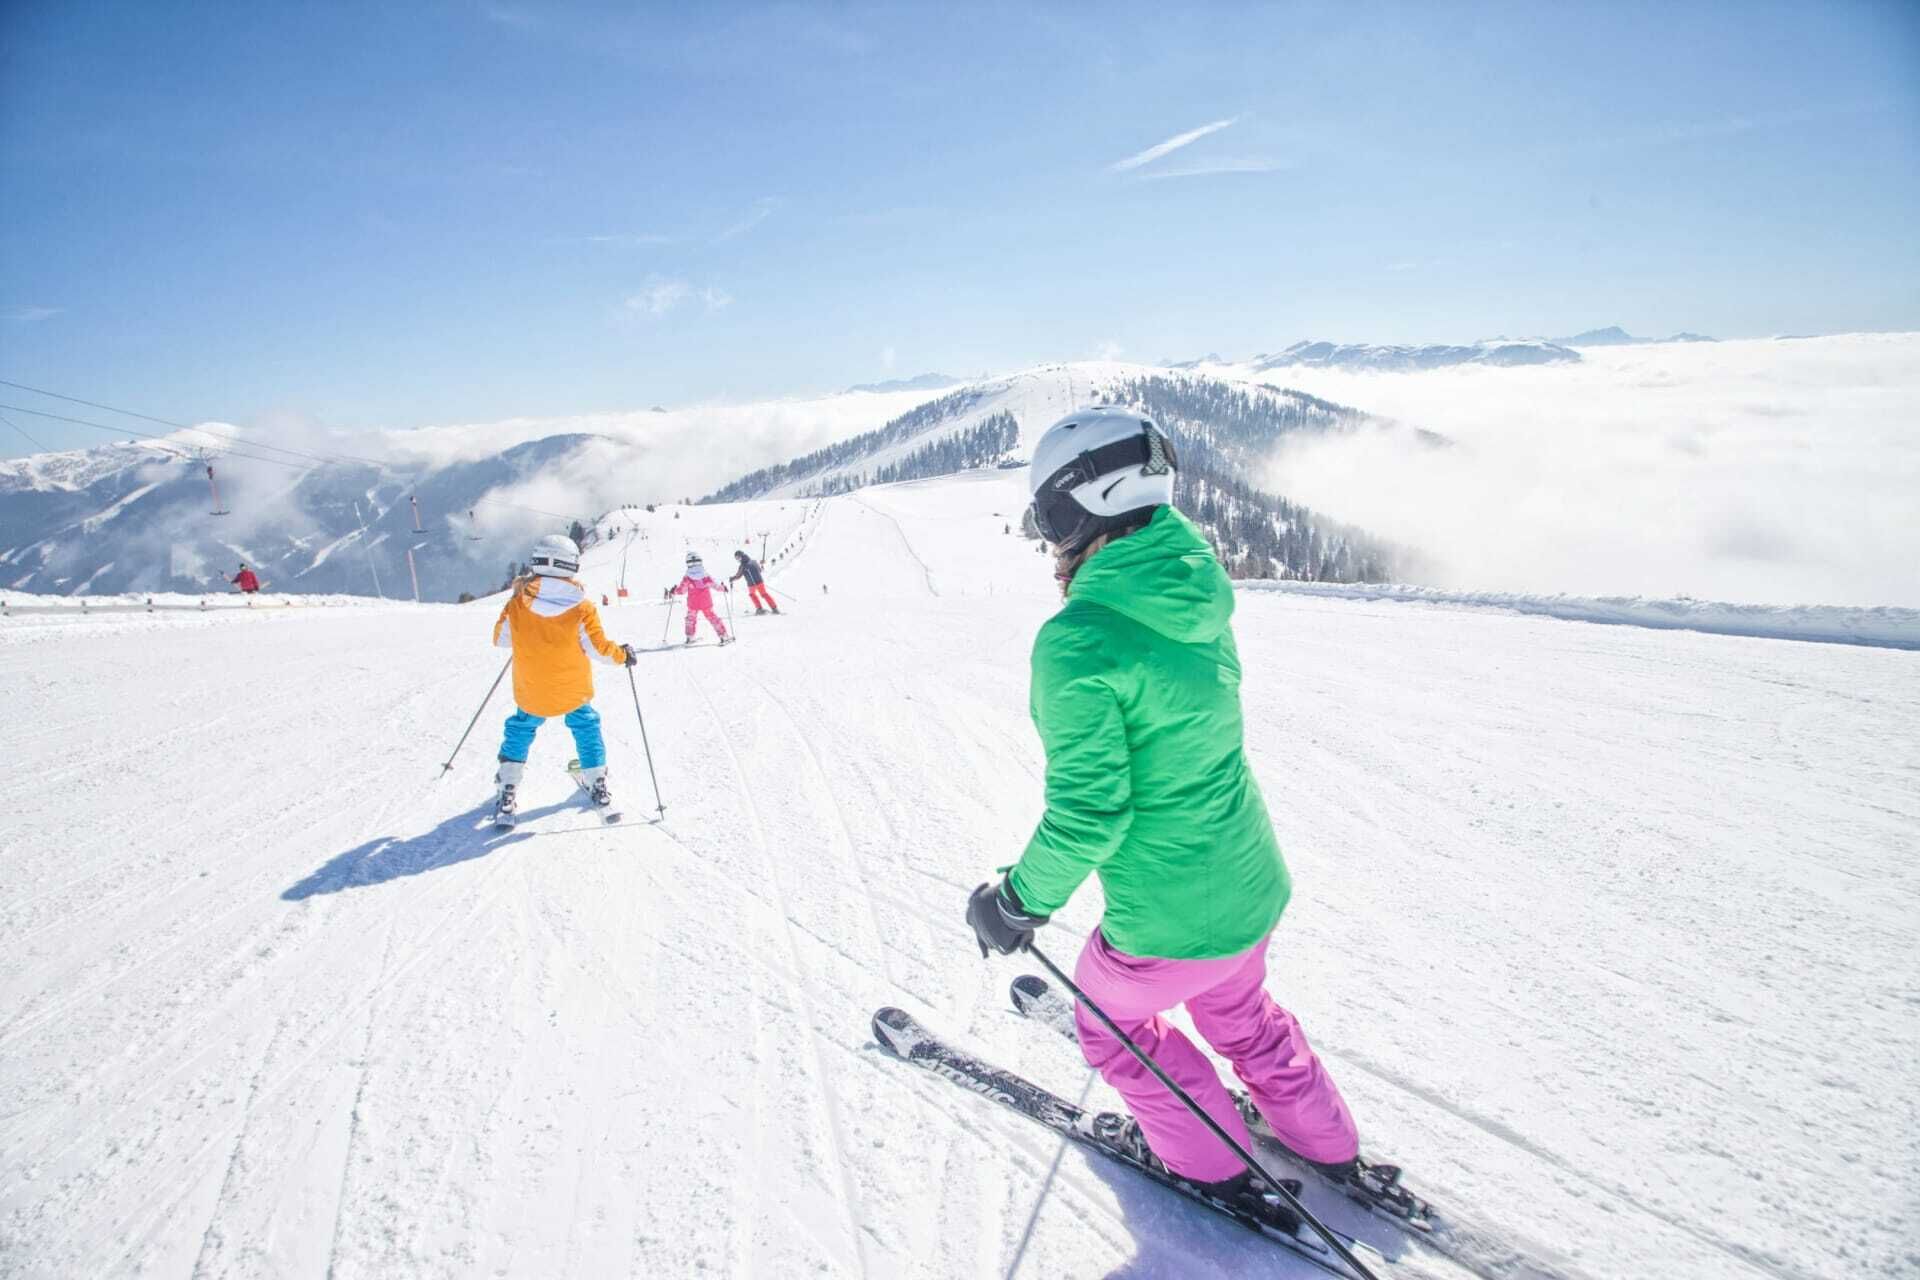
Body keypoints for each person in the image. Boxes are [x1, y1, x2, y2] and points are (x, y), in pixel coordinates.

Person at [966, 406, 1359, 1214]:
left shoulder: (1080, 640)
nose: (1046, 536)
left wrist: (1015, 902)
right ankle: (1329, 1141)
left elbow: (1089, 816)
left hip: (1166, 926)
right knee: (1242, 1014)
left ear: (1079, 508)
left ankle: (1211, 1163)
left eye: (1046, 514)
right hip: (1249, 884)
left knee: (1111, 1029)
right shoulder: (1196, 593)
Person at [490, 533, 638, 824]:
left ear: (536, 562)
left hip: (532, 691)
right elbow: (599, 650)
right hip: (573, 691)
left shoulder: (519, 603)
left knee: (521, 727)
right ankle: (597, 781)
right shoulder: (582, 607)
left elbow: (501, 640)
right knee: (586, 725)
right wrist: (622, 655)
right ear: (572, 566)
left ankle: (508, 787)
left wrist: (518, 614)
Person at [670, 552, 732, 645]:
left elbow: (682, 590)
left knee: (690, 619)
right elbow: (715, 585)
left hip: (693, 603)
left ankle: (690, 637)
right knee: (712, 617)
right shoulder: (705, 575)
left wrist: (675, 591)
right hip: (705, 602)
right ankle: (723, 635)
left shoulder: (687, 577)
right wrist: (723, 588)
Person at [730, 549, 779, 614]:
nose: (738, 560)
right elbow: (760, 570)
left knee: (752, 594)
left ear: (741, 556)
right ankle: (774, 608)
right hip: (760, 581)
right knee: (764, 594)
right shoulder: (753, 561)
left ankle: (759, 609)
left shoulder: (743, 566)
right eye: (736, 558)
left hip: (752, 584)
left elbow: (738, 575)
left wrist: (732, 579)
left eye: (738, 558)